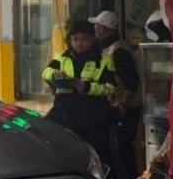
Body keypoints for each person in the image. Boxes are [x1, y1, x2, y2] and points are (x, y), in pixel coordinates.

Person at [42, 20, 118, 168]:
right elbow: (46, 72)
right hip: (65, 112)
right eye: (75, 39)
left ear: (92, 38)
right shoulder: (63, 58)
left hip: (93, 115)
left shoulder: (104, 60)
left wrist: (87, 87)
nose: (79, 43)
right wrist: (55, 74)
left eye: (83, 39)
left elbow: (111, 87)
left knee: (97, 156)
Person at [91, 11, 142, 179]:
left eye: (97, 25)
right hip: (114, 106)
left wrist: (123, 106)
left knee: (121, 148)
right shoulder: (107, 48)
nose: (95, 28)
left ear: (104, 29)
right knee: (113, 148)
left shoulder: (119, 50)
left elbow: (132, 81)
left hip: (125, 107)